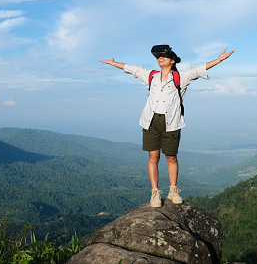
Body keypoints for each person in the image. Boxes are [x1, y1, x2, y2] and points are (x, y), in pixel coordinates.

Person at [100, 45, 234, 207]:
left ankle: (173, 190)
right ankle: (155, 192)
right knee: (153, 157)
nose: (160, 59)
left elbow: (199, 69)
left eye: (163, 56)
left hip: (172, 123)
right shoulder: (151, 76)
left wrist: (219, 60)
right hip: (150, 121)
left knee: (171, 157)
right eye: (158, 57)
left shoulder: (181, 77)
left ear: (172, 60)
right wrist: (114, 63)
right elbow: (133, 69)